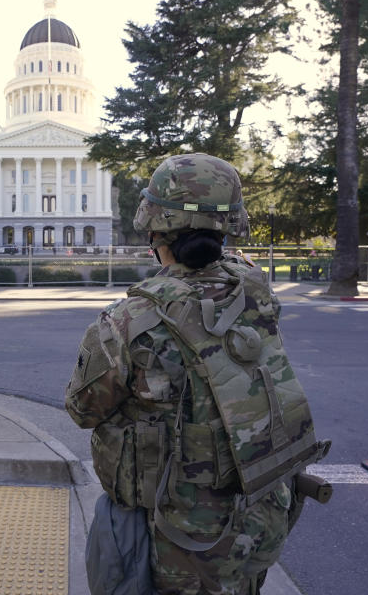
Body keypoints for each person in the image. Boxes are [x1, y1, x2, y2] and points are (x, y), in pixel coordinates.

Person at [66, 154, 329, 594]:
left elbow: (82, 408)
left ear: (154, 229)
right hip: (259, 520)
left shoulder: (129, 320)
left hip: (182, 540)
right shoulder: (255, 294)